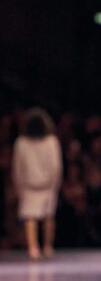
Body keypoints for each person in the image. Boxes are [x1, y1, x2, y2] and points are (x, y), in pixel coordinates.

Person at [11, 108, 63, 260]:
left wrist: (18, 185)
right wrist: (55, 183)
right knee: (48, 217)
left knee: (30, 217)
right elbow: (56, 166)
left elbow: (17, 167)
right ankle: (47, 247)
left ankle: (33, 248)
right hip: (46, 185)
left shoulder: (21, 143)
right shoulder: (52, 142)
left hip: (29, 185)